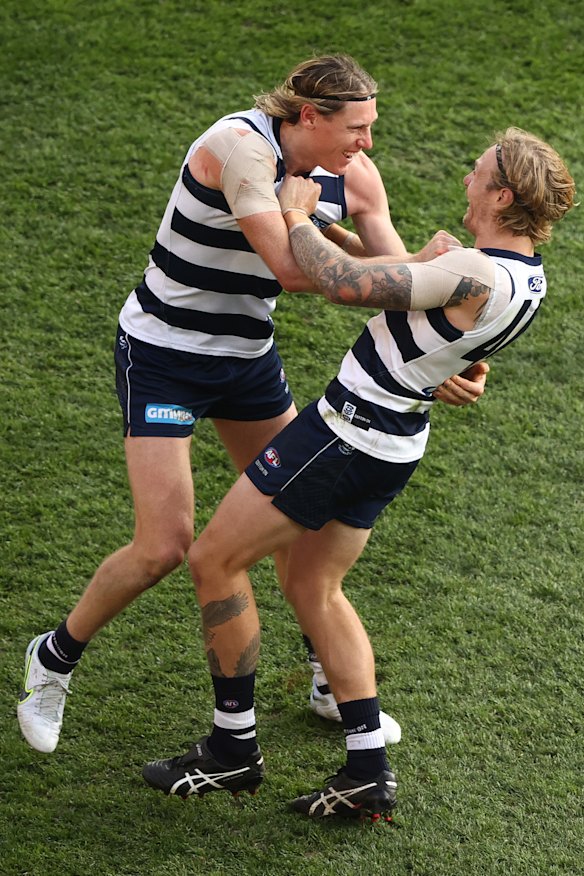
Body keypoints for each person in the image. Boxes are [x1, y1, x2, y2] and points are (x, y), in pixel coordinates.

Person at [17, 55, 486, 756]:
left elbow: (396, 289)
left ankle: (329, 677)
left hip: (245, 361)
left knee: (295, 521)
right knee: (164, 546)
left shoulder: (354, 173)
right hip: (165, 359)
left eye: (371, 128)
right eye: (356, 128)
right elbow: (296, 271)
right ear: (308, 118)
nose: (368, 144)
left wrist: (441, 358)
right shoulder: (240, 150)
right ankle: (53, 659)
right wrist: (306, 218)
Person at [141, 127, 575, 821]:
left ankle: (232, 749)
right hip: (394, 443)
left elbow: (347, 286)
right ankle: (368, 769)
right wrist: (340, 234)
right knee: (314, 585)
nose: (466, 178)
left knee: (214, 559)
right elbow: (399, 283)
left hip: (342, 437)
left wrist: (291, 213)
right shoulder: (523, 276)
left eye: (476, 171)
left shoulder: (474, 272)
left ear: (500, 194)